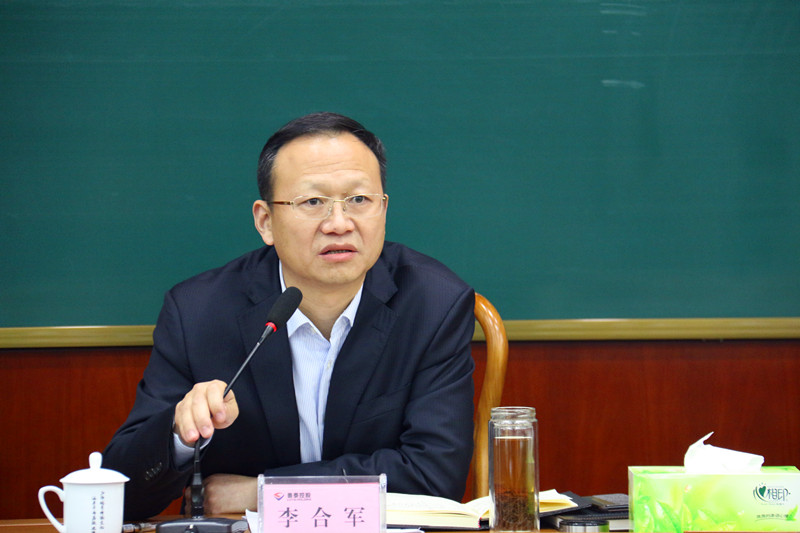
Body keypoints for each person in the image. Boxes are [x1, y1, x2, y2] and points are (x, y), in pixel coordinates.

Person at [103, 112, 476, 520]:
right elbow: (122, 494)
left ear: (383, 209)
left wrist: (263, 492)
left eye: (359, 200)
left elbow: (435, 478)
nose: (339, 224)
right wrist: (179, 435)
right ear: (265, 221)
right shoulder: (197, 313)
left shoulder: (433, 305)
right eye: (313, 202)